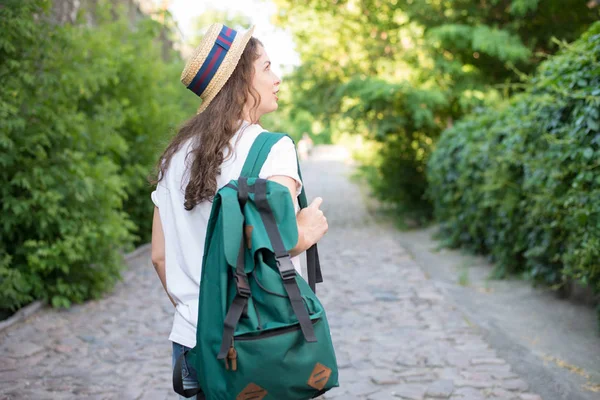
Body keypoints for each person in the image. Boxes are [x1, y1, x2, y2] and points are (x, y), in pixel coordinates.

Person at [149, 23, 329, 398]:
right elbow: (276, 246)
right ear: (238, 80)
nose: (277, 79)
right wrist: (307, 230)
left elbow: (160, 257)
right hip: (256, 341)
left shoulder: (174, 157)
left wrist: (196, 309)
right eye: (266, 68)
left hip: (190, 340)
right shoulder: (272, 149)